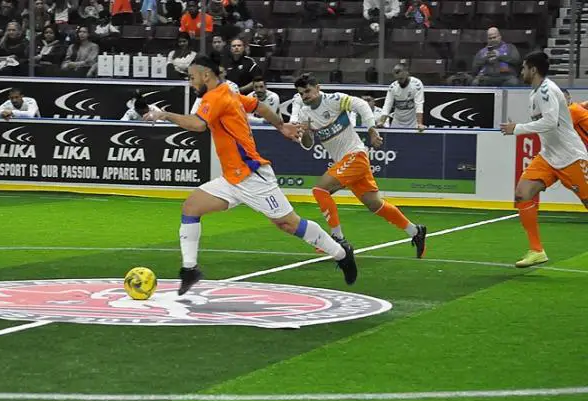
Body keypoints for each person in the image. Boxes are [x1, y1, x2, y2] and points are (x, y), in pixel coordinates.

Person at [143, 54, 357, 295]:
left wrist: (164, 115)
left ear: (206, 75)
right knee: (191, 208)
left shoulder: (216, 96)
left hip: (253, 175)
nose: (190, 83)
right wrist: (281, 125)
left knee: (288, 224)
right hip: (232, 178)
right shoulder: (227, 93)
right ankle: (190, 270)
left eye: (192, 78)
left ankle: (341, 254)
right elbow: (259, 106)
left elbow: (198, 125)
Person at [294, 73, 427, 257]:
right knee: (374, 204)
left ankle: (337, 238)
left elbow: (362, 105)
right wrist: (306, 132)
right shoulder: (304, 113)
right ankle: (415, 231)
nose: (305, 96)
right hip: (347, 162)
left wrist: (371, 129)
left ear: (318, 87)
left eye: (307, 91)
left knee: (320, 190)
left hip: (355, 155)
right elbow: (307, 144)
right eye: (301, 94)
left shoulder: (334, 100)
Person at [500, 52, 588, 268]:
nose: (521, 72)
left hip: (570, 156)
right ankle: (536, 250)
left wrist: (517, 129)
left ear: (533, 70)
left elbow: (549, 122)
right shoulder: (535, 93)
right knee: (523, 192)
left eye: (523, 68)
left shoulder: (547, 91)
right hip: (549, 156)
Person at [378, 63, 425, 130]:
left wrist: (419, 123)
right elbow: (387, 105)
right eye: (398, 79)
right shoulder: (393, 87)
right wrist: (381, 122)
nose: (400, 81)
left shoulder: (417, 84)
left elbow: (419, 104)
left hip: (413, 124)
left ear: (407, 73)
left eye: (401, 78)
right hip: (396, 123)